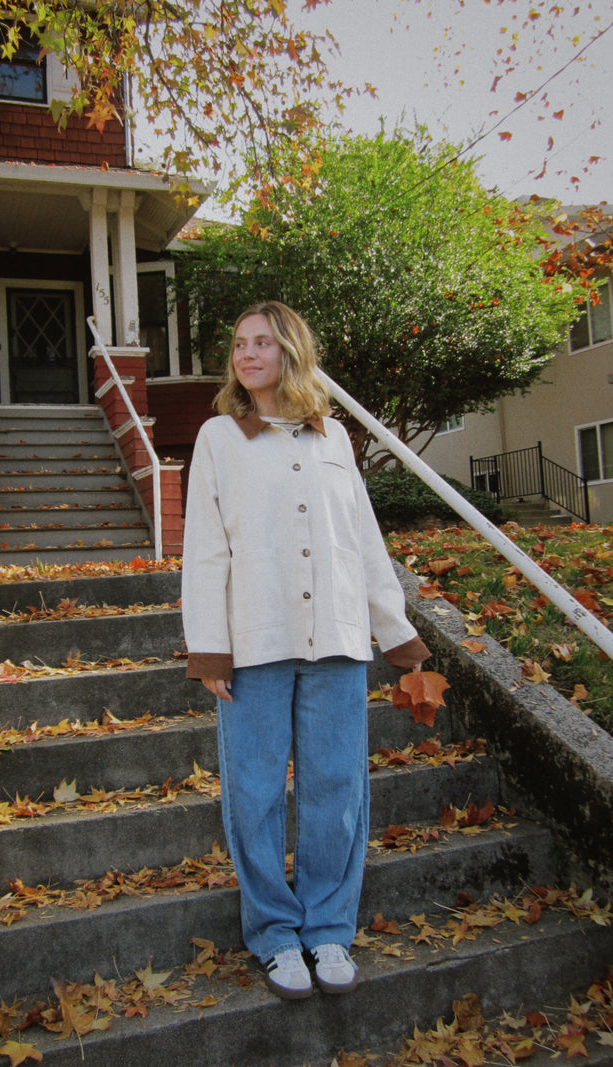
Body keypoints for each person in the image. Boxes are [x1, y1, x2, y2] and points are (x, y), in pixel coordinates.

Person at [181, 301, 430, 1000]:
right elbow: (205, 549)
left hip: (338, 641)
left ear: (291, 351)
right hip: (255, 644)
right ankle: (274, 934)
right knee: (254, 794)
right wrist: (209, 649)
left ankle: (328, 927)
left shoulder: (334, 438)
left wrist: (397, 633)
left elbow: (363, 539)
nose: (247, 354)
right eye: (239, 343)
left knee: (336, 790)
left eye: (262, 342)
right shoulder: (219, 438)